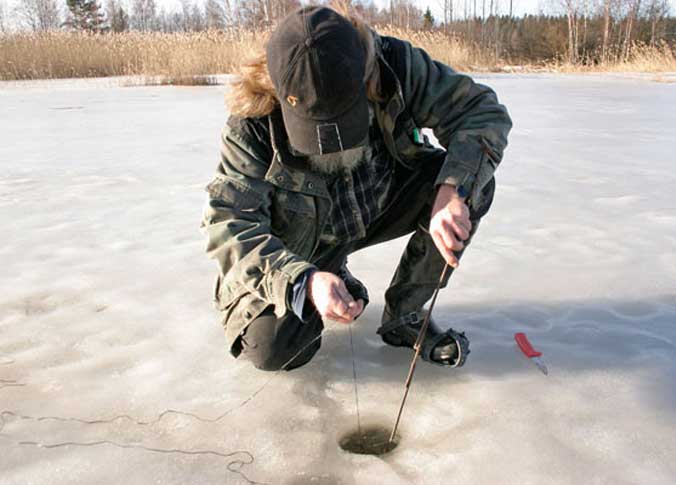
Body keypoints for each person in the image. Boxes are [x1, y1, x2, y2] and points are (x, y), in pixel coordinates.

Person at [201, 5, 512, 371]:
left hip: (378, 202)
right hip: (305, 242)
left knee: (472, 183)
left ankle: (406, 316)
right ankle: (330, 272)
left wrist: (451, 189)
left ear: (364, 78)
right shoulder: (251, 123)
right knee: (273, 349)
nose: (332, 144)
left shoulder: (394, 65)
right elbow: (229, 226)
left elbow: (481, 111)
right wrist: (303, 281)